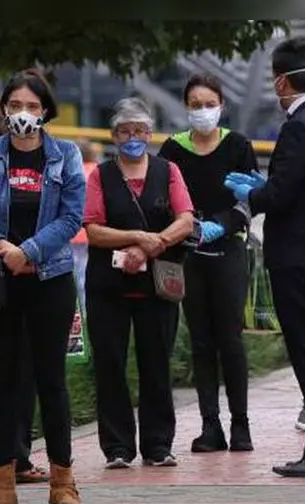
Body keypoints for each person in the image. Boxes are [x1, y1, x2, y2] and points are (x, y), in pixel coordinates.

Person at [223, 37, 305, 478]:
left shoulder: (300, 125)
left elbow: (280, 196)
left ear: (281, 81)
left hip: (298, 256)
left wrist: (252, 194)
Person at [0, 71, 85, 504]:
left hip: (50, 279)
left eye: (32, 107)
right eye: (15, 106)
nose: (23, 115)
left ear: (46, 110)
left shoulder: (66, 155)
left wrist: (29, 251)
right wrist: (2, 247)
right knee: (4, 381)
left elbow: (71, 217)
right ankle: (2, 482)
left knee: (51, 380)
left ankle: (63, 481)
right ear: (3, 109)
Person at [84, 97, 195, 469]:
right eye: (125, 131)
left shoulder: (168, 170)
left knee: (157, 363)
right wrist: (136, 238)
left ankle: (158, 445)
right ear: (114, 135)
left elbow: (185, 220)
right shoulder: (101, 175)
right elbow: (93, 228)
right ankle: (117, 447)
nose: (133, 137)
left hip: (158, 284)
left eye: (140, 130)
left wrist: (154, 244)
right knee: (110, 365)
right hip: (108, 285)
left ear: (150, 133)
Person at [158, 73, 258, 453]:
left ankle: (240, 424)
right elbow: (162, 197)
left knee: (230, 338)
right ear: (186, 107)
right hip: (189, 254)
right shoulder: (174, 149)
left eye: (209, 104)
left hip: (229, 250)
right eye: (195, 105)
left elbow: (251, 200)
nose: (203, 111)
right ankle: (210, 425)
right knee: (200, 341)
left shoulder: (238, 145)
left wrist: (223, 223)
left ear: (222, 106)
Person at [0, 103, 50, 485]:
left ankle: (10, 456)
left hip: (27, 273)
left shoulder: (44, 163)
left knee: (17, 372)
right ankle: (9, 457)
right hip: (7, 275)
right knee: (14, 372)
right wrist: (12, 249)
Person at [71, 138, 102, 313]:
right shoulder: (99, 171)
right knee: (85, 276)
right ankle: (86, 312)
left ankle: (76, 315)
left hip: (71, 232)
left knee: (73, 277)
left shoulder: (72, 171)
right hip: (94, 232)